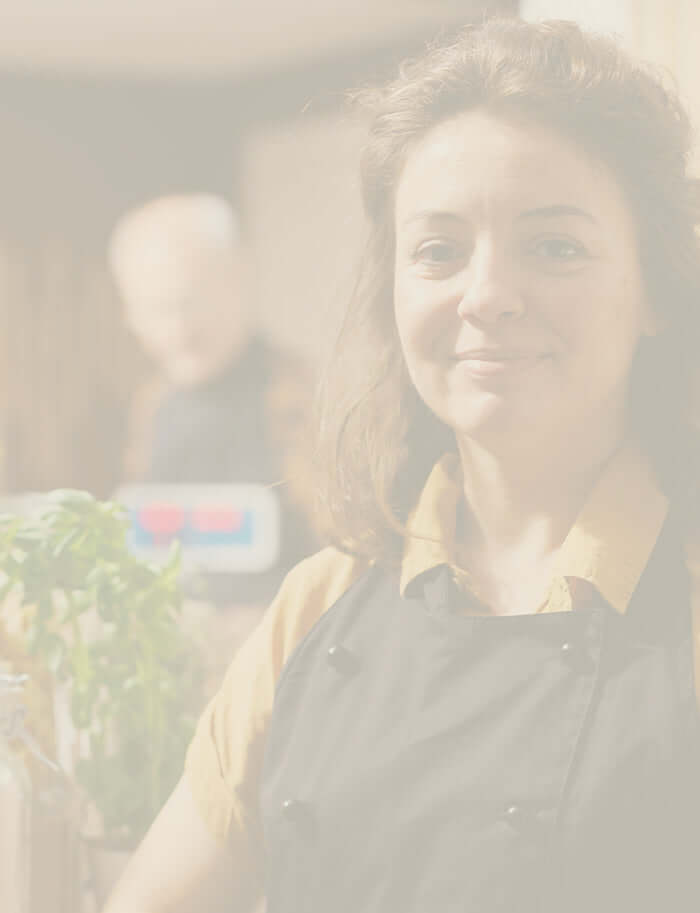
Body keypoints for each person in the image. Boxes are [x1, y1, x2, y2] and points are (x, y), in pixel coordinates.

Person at [104, 18, 700, 913]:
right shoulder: (315, 606)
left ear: (654, 286)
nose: (487, 294)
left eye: (555, 245)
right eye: (438, 250)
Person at [109, 193, 316, 604]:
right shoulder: (150, 408)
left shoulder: (306, 400)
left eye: (190, 302)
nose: (178, 329)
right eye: (155, 310)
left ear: (239, 280)